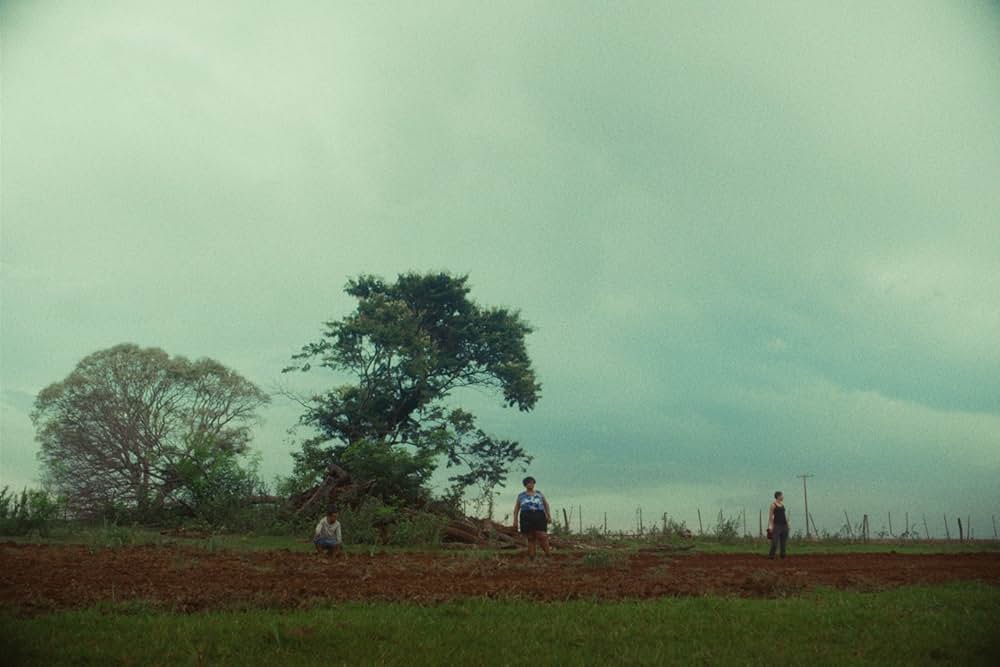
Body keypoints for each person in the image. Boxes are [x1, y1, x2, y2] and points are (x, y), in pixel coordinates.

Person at [513, 476, 551, 558]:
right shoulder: (521, 495)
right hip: (526, 516)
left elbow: (546, 504)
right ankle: (532, 557)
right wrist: (515, 520)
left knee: (542, 535)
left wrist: (548, 515)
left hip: (539, 515)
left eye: (532, 483)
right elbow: (516, 508)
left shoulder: (539, 494)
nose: (531, 484)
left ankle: (548, 554)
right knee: (530, 537)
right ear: (525, 485)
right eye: (529, 483)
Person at [767, 491, 789, 559]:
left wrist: (787, 524)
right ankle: (771, 556)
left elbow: (784, 515)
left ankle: (783, 556)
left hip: (784, 525)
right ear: (778, 496)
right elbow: (770, 516)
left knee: (783, 542)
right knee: (775, 542)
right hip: (776, 526)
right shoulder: (773, 505)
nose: (783, 497)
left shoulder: (782, 505)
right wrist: (770, 527)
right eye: (782, 496)